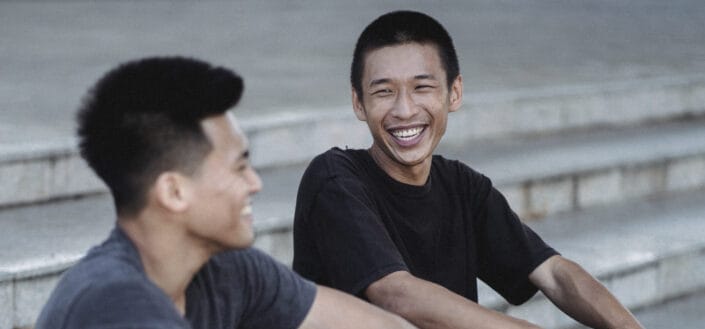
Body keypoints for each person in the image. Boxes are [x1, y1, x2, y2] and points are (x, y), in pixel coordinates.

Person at [293, 11, 643, 329]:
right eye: (384, 92)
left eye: (422, 87)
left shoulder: (462, 186)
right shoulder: (335, 179)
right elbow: (395, 293)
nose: (404, 110)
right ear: (359, 103)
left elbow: (553, 272)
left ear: (454, 92)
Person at [35, 56, 415, 329]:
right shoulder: (112, 307)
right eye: (239, 167)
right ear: (174, 191)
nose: (255, 183)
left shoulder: (227, 270)